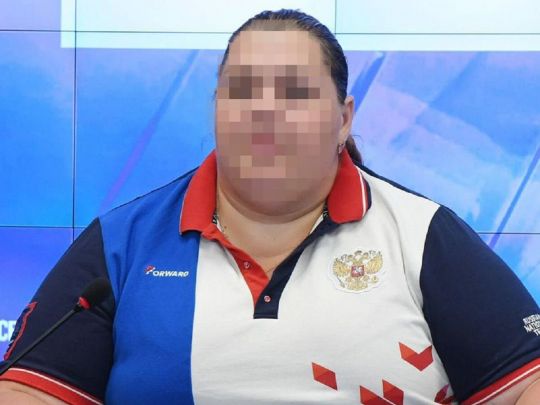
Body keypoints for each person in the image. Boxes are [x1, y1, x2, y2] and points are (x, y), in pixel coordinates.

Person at [1, 9, 539, 404]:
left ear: (344, 119)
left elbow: (526, 384)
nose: (264, 109)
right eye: (242, 90)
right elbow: (27, 391)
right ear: (216, 109)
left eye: (294, 92)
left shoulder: (422, 234)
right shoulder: (123, 243)